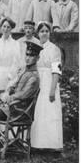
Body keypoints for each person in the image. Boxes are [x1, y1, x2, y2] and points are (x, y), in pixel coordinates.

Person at [31, 22, 63, 151]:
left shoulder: (54, 49)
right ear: (38, 34)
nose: (44, 33)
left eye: (46, 31)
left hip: (50, 81)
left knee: (50, 112)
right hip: (38, 82)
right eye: (41, 31)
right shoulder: (36, 47)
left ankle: (52, 145)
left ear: (49, 33)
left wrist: (52, 89)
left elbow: (57, 71)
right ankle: (38, 145)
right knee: (39, 113)